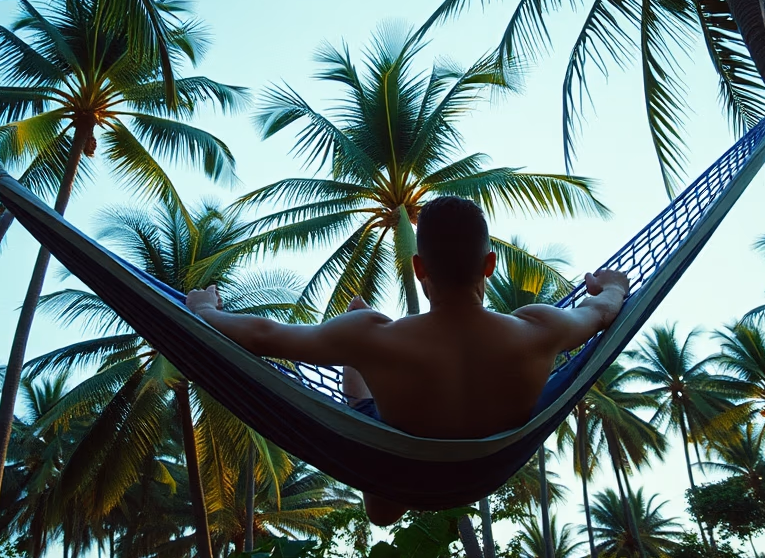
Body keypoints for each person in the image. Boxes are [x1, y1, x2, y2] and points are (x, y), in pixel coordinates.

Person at [184, 196, 629, 525]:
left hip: (401, 458)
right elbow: (602, 311)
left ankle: (356, 346)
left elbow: (266, 335)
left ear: (419, 269)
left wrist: (205, 311)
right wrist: (611, 284)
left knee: (360, 340)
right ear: (490, 264)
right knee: (365, 341)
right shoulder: (539, 329)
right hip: (490, 461)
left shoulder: (380, 339)